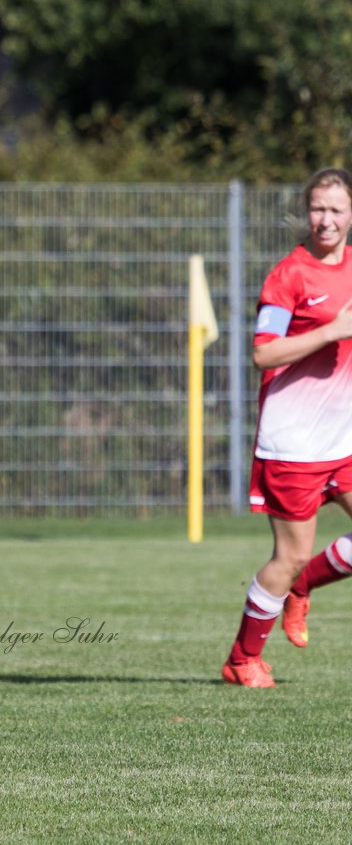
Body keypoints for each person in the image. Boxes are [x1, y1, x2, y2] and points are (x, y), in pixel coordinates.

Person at [223, 166, 352, 688]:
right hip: (294, 442)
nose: (326, 220)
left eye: (336, 210)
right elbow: (263, 353)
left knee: (301, 564)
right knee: (291, 553)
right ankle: (242, 659)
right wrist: (331, 330)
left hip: (344, 438)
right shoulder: (289, 275)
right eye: (318, 208)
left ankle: (304, 587)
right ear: (307, 211)